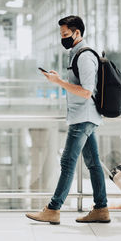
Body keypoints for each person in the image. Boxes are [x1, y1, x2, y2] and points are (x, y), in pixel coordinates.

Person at [26, 15, 110, 225]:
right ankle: (102, 209)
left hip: (83, 117)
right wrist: (59, 79)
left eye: (65, 34)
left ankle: (53, 209)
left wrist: (59, 82)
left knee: (67, 162)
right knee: (93, 163)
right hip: (83, 116)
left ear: (77, 33)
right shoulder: (76, 54)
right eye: (61, 34)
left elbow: (86, 91)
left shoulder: (84, 56)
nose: (62, 38)